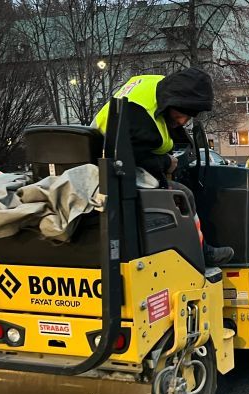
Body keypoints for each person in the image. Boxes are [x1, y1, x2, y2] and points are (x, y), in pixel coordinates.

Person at [93, 67, 233, 266]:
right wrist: (167, 162)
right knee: (184, 194)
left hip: (105, 157)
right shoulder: (142, 121)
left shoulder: (153, 83)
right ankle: (202, 253)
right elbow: (136, 156)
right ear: (171, 102)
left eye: (188, 116)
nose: (183, 120)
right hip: (115, 170)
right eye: (181, 113)